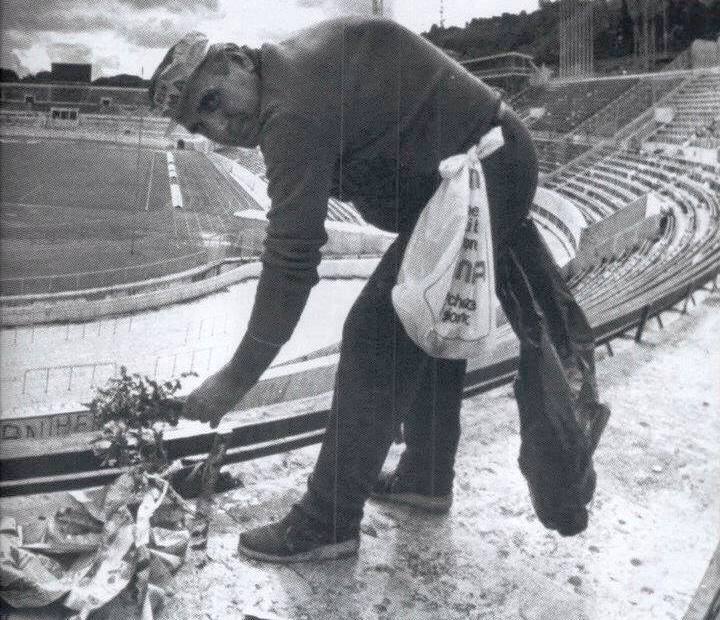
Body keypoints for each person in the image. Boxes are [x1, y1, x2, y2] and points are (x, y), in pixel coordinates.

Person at [150, 17, 607, 564]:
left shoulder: (289, 106)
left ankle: (328, 521)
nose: (219, 124)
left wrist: (235, 378)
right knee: (427, 316)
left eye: (213, 99)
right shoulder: (290, 77)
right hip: (485, 166)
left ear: (239, 63)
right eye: (201, 123)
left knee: (373, 335)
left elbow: (292, 258)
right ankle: (426, 474)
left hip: (483, 171)